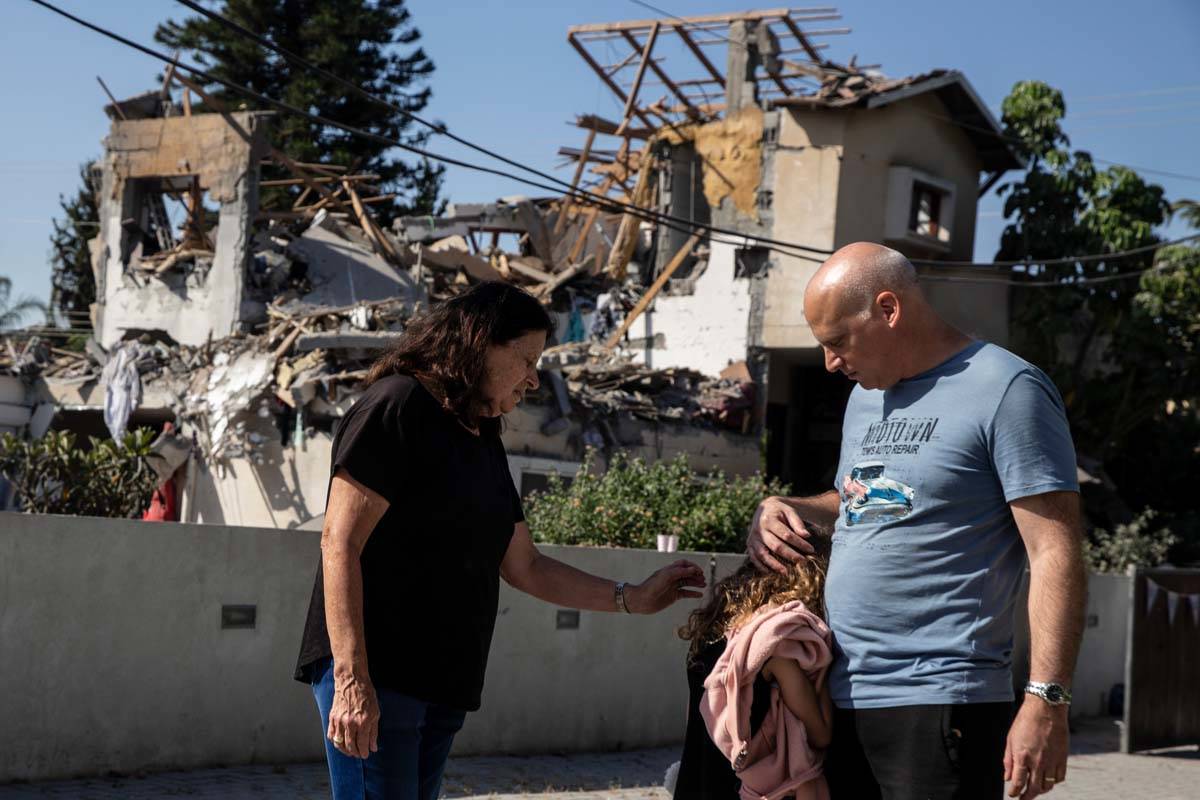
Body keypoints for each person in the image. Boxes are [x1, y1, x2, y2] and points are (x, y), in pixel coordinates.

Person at [293, 282, 706, 800]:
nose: (534, 379)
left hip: (443, 685)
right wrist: (352, 679)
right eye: (527, 358)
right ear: (481, 341)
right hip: (380, 677)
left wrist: (634, 597)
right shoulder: (397, 405)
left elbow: (526, 566)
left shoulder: (481, 435)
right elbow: (338, 542)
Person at [747, 243, 1086, 800]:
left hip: (941, 702)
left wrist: (1046, 701)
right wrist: (787, 507)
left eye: (837, 342)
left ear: (888, 309)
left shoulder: (1007, 389)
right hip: (843, 693)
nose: (830, 363)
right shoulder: (864, 399)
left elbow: (1055, 551)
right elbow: (865, 498)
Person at [674, 538, 834, 800]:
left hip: (695, 781)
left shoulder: (709, 634)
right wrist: (827, 665)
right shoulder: (774, 647)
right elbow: (822, 733)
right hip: (736, 789)